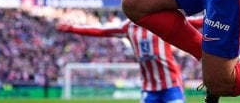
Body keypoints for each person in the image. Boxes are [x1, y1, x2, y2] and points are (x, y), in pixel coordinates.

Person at [57, 16, 203, 103]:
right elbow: (100, 31)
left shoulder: (162, 21)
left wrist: (220, 17)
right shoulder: (128, 27)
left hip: (171, 83)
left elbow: (193, 22)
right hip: (149, 87)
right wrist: (70, 28)